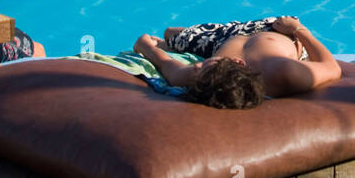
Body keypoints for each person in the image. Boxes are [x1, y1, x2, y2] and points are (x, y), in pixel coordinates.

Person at [132, 16, 342, 106]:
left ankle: (173, 41)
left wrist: (146, 48)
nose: (196, 65)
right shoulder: (285, 72)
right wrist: (297, 28)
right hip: (275, 28)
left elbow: (171, 69)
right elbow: (331, 66)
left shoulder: (209, 78)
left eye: (200, 65)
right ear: (239, 63)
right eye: (203, 64)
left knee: (169, 33)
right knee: (170, 34)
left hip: (223, 38)